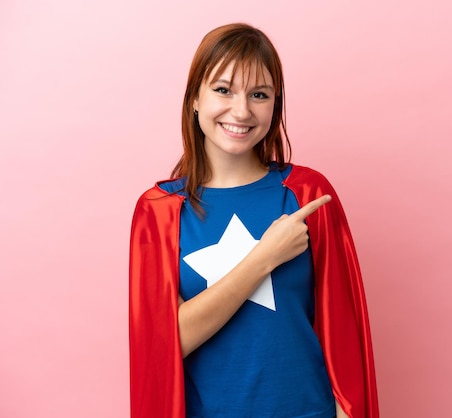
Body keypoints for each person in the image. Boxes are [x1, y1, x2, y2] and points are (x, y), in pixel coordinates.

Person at [129, 23, 378, 418]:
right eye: (223, 90)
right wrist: (264, 258)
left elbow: (343, 335)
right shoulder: (160, 211)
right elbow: (167, 342)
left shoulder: (307, 194)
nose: (241, 111)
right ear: (195, 98)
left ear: (274, 106)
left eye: (259, 94)